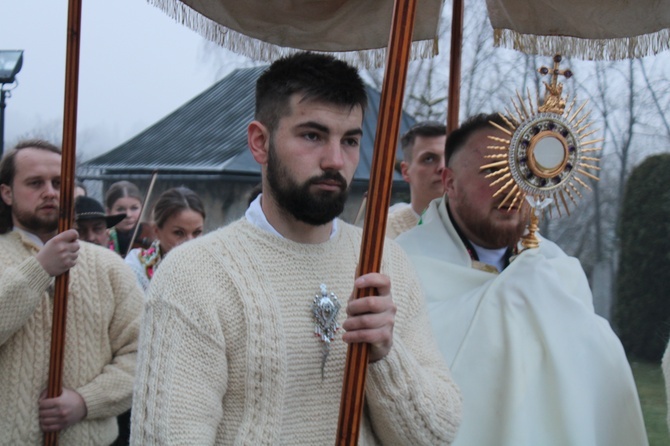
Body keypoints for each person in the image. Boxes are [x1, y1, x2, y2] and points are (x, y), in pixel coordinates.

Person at [131, 52, 461, 445]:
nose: (336, 160)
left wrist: (387, 357)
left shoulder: (385, 262)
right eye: (312, 136)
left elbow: (434, 436)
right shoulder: (195, 274)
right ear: (260, 142)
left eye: (350, 140)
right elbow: (169, 438)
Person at [396, 113, 648, 445]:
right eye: (491, 171)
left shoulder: (560, 270)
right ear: (450, 183)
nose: (510, 186)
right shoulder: (401, 267)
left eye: (520, 170)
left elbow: (594, 382)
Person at [0, 139, 143, 444]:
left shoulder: (109, 267)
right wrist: (40, 269)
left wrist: (85, 401)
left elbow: (142, 354)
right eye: (35, 183)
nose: (50, 192)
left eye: (58, 182)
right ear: (7, 192)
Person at [126, 186, 206, 292]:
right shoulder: (136, 266)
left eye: (197, 232)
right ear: (156, 231)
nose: (190, 242)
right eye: (179, 233)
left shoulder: (212, 267)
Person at [386, 121, 446, 239]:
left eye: (449, 157)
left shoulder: (477, 229)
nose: (442, 167)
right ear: (405, 171)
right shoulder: (382, 235)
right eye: (429, 159)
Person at [105, 181, 151, 257]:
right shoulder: (105, 236)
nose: (128, 215)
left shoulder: (151, 233)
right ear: (109, 212)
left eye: (134, 208)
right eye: (120, 209)